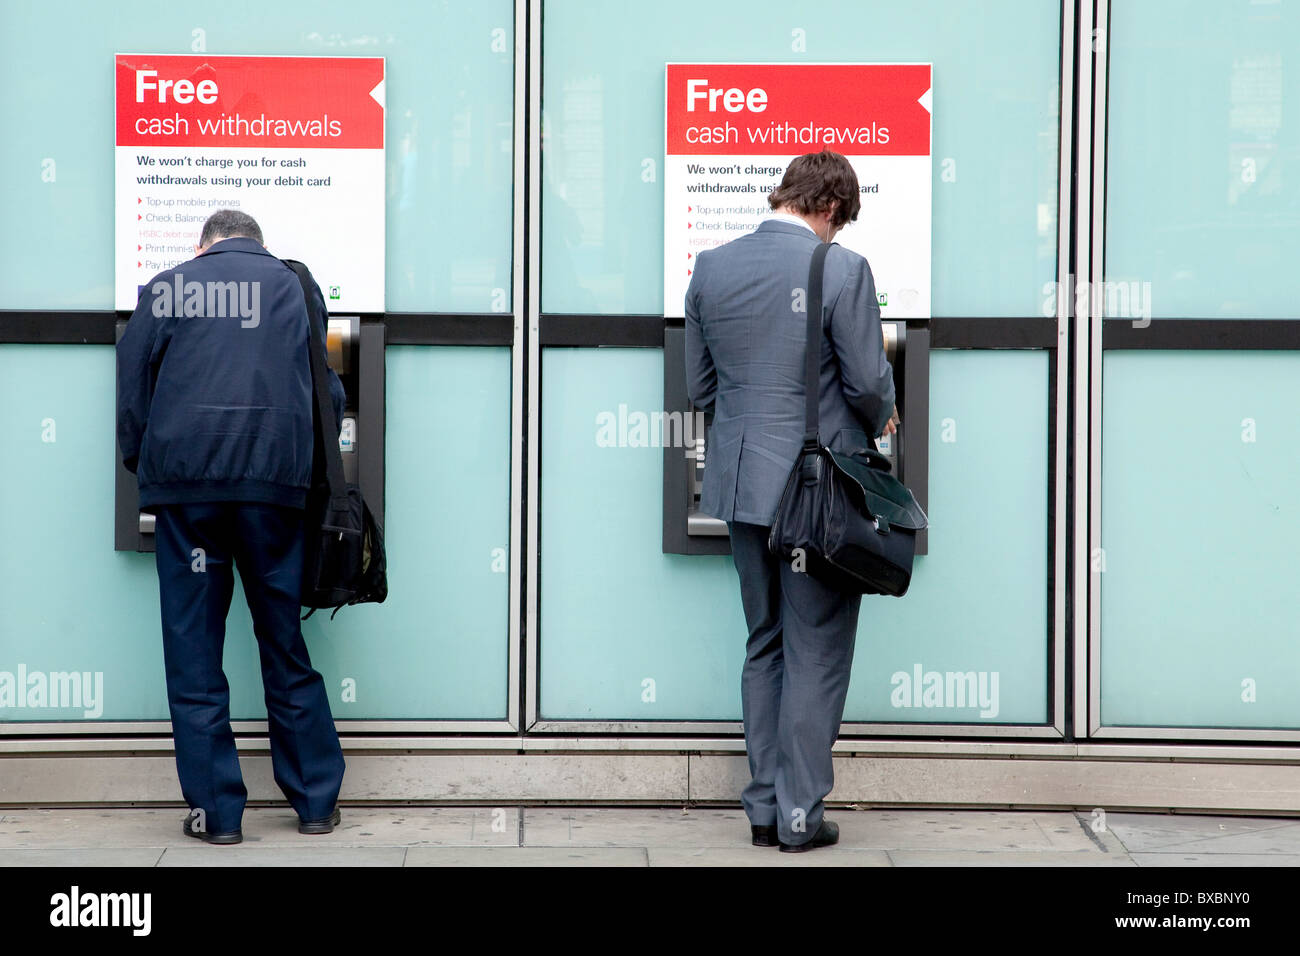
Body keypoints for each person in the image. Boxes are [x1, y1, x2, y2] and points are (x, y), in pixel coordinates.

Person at [684, 151, 898, 853]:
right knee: (817, 649)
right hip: (816, 494)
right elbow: (868, 382)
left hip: (743, 487)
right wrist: (884, 416)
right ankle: (801, 813)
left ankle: (763, 808)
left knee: (766, 639)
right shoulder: (840, 269)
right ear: (830, 208)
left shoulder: (711, 267)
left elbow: (702, 388)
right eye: (841, 223)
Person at [117, 209, 347, 845]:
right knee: (283, 645)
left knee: (194, 655)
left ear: (203, 245)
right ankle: (315, 803)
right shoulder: (294, 286)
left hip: (189, 499)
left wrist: (150, 465)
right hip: (274, 494)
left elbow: (133, 388)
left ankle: (216, 815)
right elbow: (327, 394)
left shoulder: (167, 287)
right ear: (257, 243)